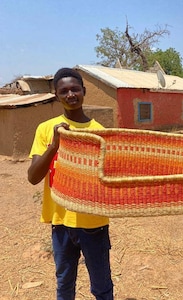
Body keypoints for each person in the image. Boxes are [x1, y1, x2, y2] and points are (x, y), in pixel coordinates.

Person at [27, 68, 114, 300]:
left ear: (84, 91)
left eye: (75, 89)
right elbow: (33, 177)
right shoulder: (46, 129)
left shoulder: (100, 134)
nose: (70, 94)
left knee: (102, 286)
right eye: (63, 91)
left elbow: (109, 180)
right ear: (57, 96)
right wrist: (55, 144)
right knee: (64, 284)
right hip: (60, 222)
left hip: (93, 222)